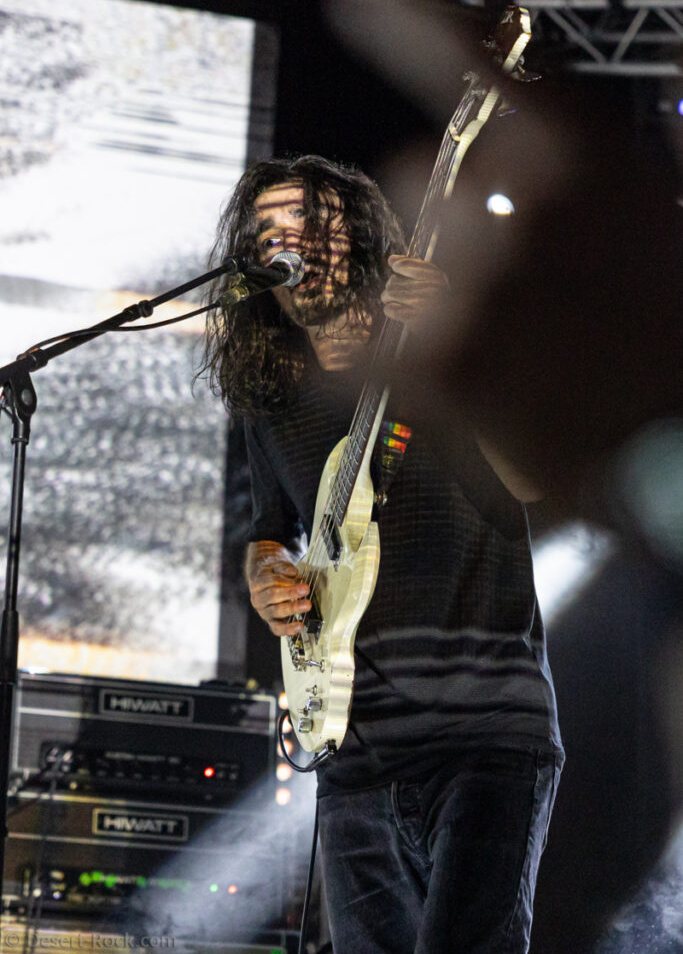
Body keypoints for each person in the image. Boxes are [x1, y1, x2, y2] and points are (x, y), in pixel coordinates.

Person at [202, 154, 564, 954]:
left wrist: (459, 346)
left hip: (481, 731)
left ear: (362, 237)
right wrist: (267, 576)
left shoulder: (445, 353)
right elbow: (269, 529)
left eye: (311, 221)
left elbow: (532, 479)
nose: (289, 241)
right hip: (354, 744)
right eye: (269, 229)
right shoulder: (272, 396)